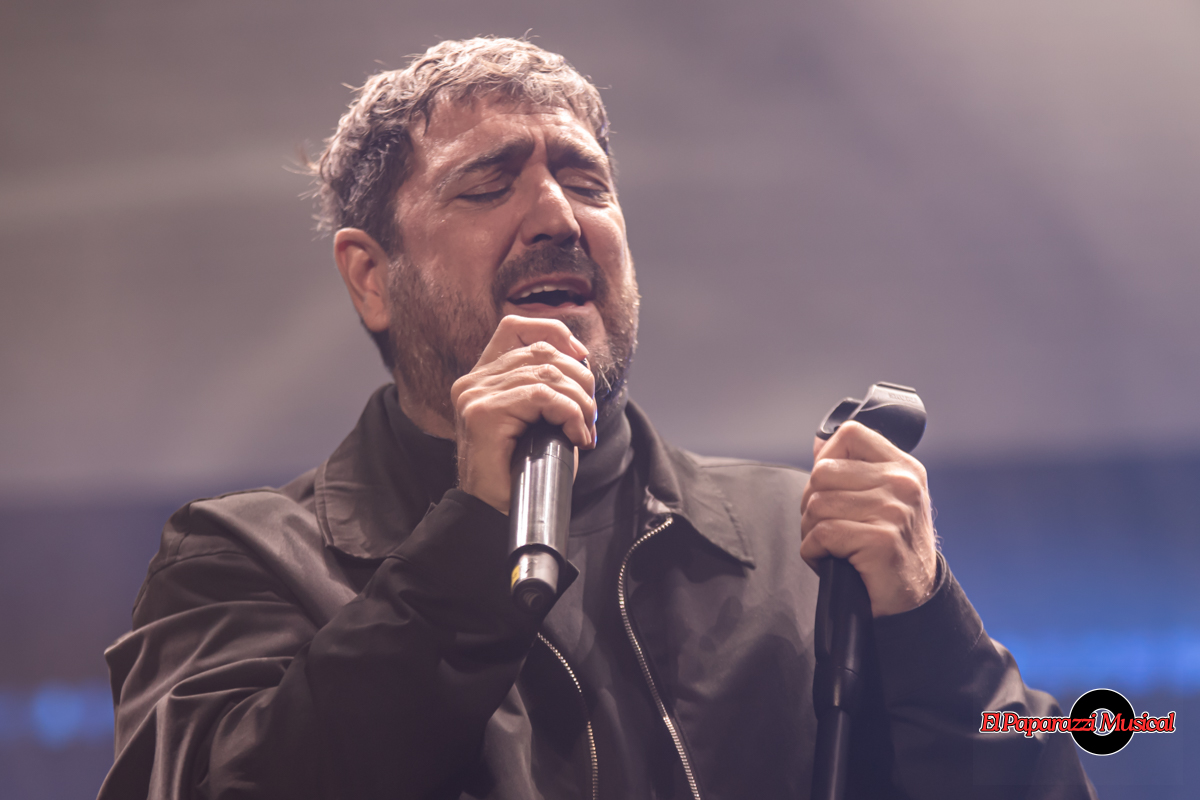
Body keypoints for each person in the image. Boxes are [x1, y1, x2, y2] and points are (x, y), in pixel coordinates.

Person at [99, 37, 1095, 800]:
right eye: (490, 184)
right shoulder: (241, 559)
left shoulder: (804, 544)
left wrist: (929, 627)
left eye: (586, 183)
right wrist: (472, 537)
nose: (557, 217)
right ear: (370, 276)